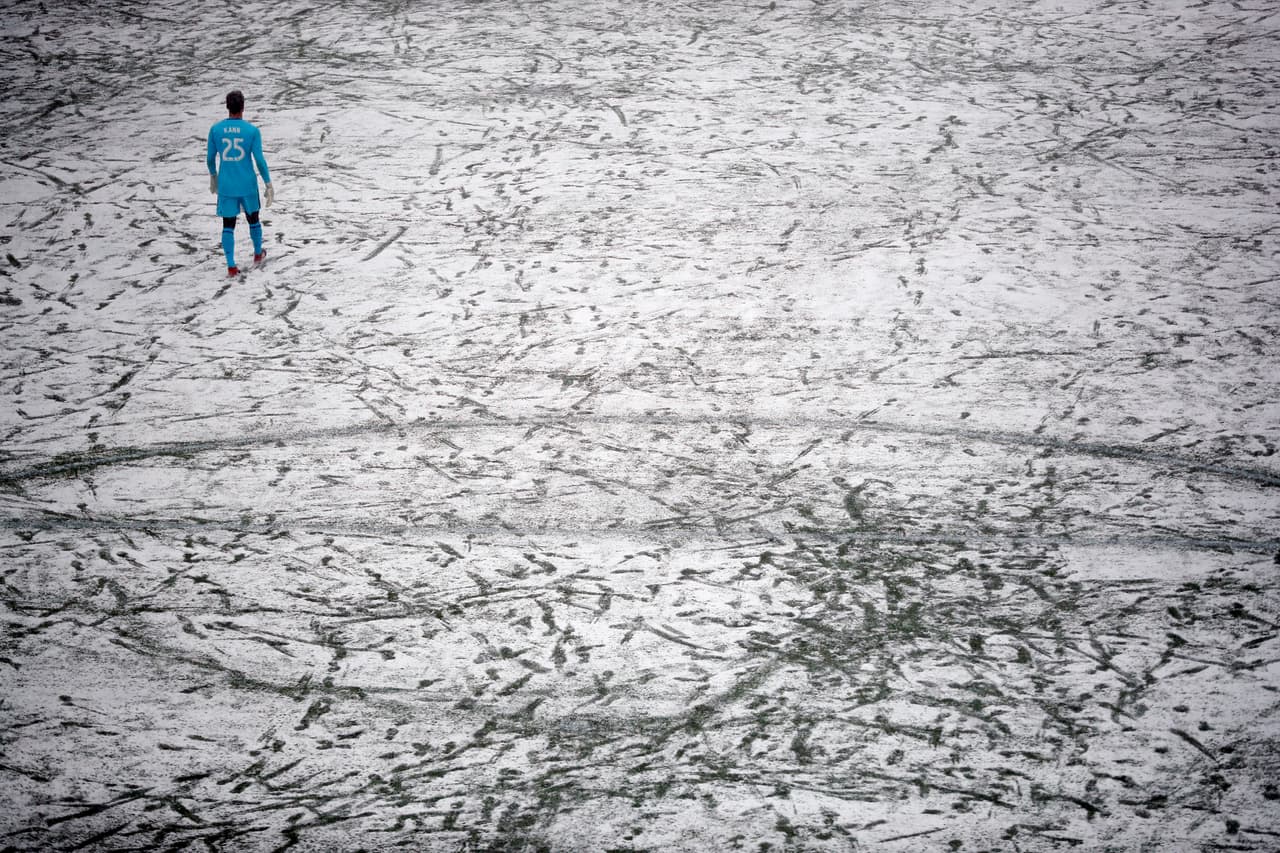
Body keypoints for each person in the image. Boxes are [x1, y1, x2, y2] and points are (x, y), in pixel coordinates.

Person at [207, 90, 274, 276]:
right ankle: (258, 253)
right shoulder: (252, 131)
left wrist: (213, 176)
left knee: (228, 224)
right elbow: (259, 160)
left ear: (227, 106)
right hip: (247, 185)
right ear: (243, 107)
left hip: (227, 185)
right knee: (254, 219)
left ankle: (231, 265)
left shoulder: (215, 130)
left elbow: (210, 158)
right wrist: (268, 183)